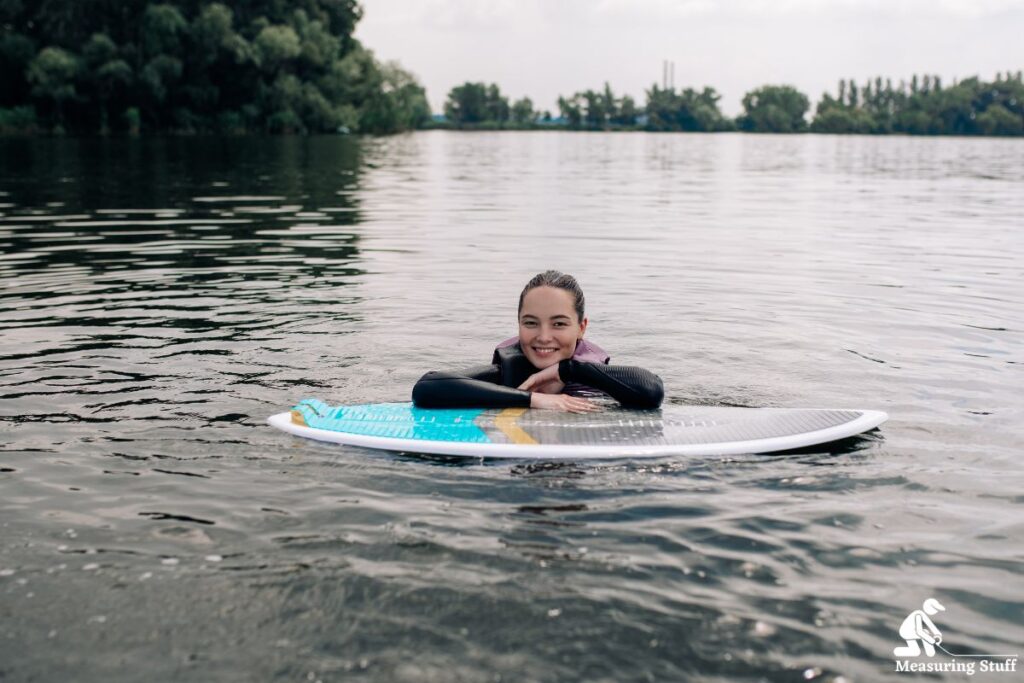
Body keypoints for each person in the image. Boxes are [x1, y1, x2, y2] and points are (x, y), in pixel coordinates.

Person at [412, 270, 664, 412]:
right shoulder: (507, 372)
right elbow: (426, 388)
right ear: (518, 323)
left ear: (581, 327)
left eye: (559, 324)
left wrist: (569, 370)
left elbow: (652, 392)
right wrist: (533, 399)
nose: (543, 337)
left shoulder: (596, 375)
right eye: (530, 323)